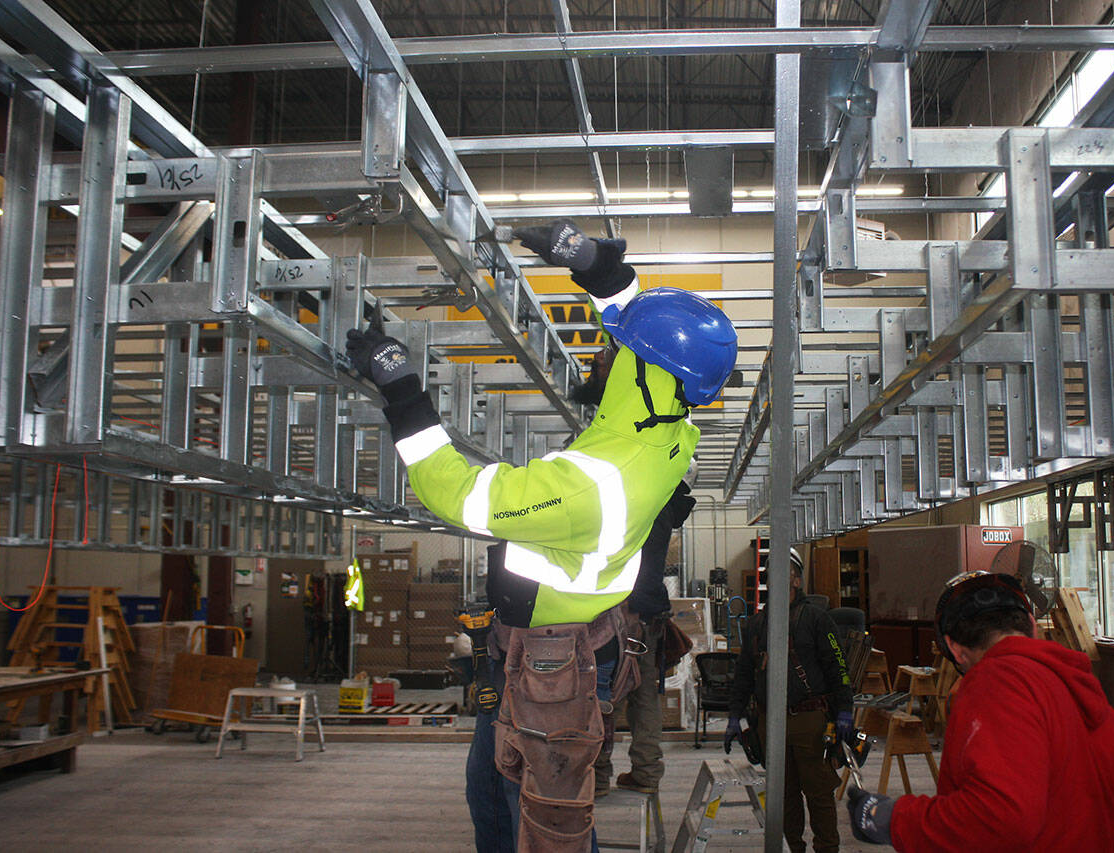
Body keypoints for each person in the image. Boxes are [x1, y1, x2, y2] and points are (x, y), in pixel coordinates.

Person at [346, 219, 737, 852]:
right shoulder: (667, 420)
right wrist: (594, 266)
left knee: (542, 818)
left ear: (643, 370)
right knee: (490, 792)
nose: (604, 349)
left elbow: (457, 495)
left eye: (617, 350)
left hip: (553, 660)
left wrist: (400, 388)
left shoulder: (597, 480)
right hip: (540, 645)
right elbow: (640, 330)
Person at [847, 571, 1114, 852]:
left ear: (956, 649)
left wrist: (894, 819)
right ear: (1032, 625)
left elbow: (1002, 817)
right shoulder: (1088, 699)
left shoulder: (997, 685)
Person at [725, 549, 855, 853]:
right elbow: (744, 674)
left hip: (810, 721)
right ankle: (790, 848)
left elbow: (839, 666)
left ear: (796, 579)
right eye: (772, 574)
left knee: (819, 794)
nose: (776, 579)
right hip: (770, 723)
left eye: (784, 572)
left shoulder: (817, 619)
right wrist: (734, 715)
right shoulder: (757, 625)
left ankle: (827, 848)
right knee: (783, 796)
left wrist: (845, 710)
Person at [595, 472, 697, 798]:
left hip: (619, 616)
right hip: (650, 615)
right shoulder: (666, 505)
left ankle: (596, 776)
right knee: (644, 696)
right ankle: (647, 772)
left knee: (604, 696)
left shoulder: (639, 500)